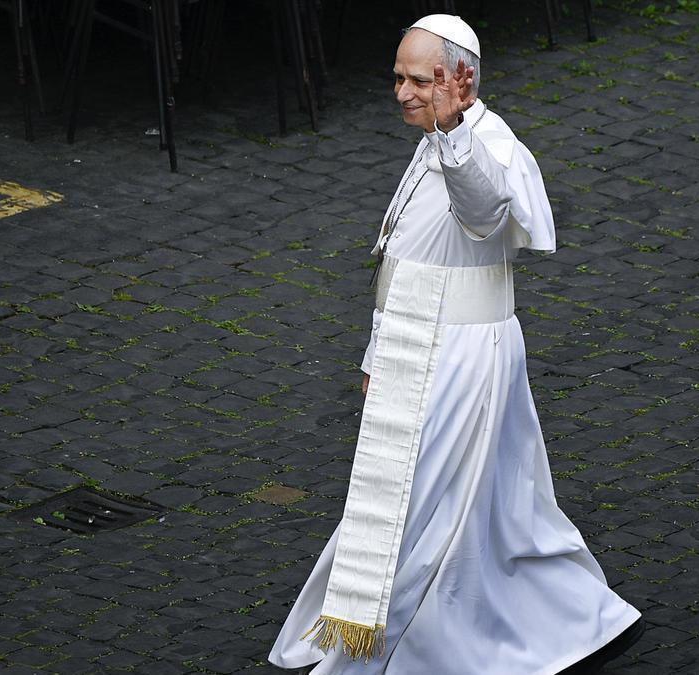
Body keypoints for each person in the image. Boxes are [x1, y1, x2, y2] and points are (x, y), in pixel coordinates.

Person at [268, 14, 644, 674]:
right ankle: (580, 617)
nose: (403, 92)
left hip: (463, 356)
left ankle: (398, 648)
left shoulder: (485, 147)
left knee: (425, 508)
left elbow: (484, 210)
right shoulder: (433, 138)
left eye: (419, 80)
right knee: (498, 508)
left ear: (460, 81)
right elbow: (407, 263)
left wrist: (452, 130)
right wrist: (373, 358)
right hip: (419, 340)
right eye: (398, 77)